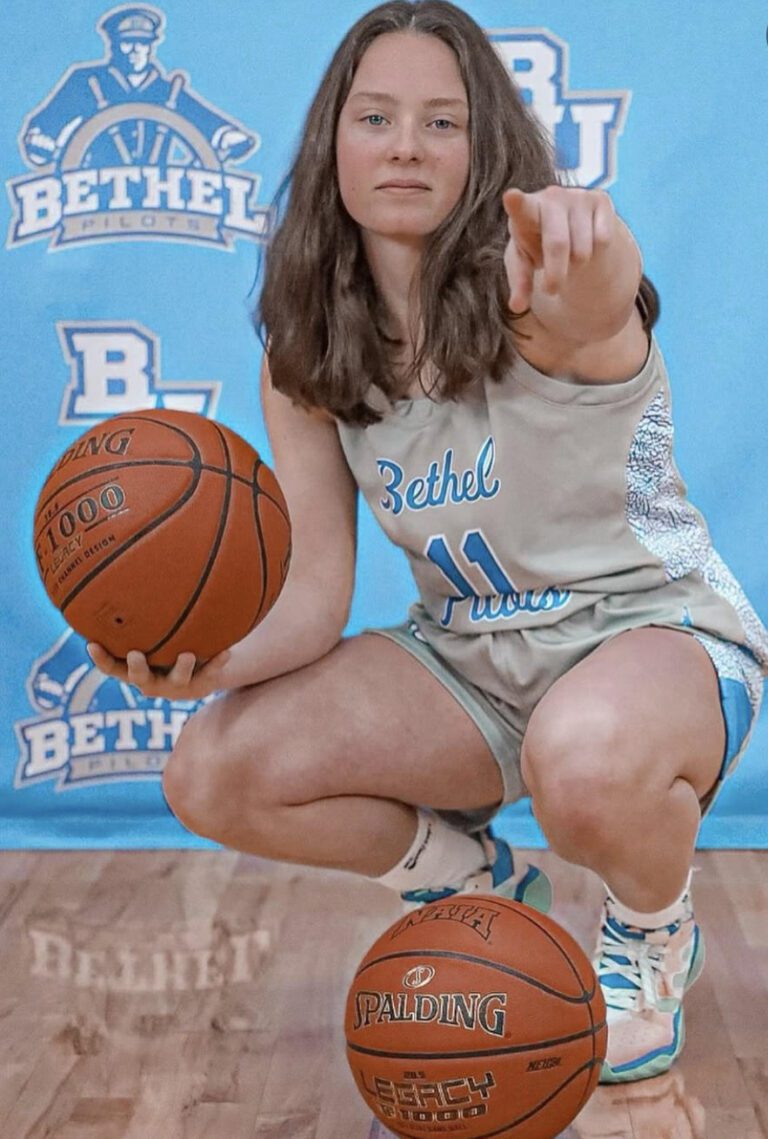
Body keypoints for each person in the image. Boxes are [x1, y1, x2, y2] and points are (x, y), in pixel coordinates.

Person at [89, 0, 767, 1084]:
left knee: (582, 757)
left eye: (441, 123)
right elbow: (315, 589)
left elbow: (600, 297)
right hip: (473, 659)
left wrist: (595, 241)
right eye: (377, 117)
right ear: (334, 143)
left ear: (482, 146)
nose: (406, 144)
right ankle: (479, 882)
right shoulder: (311, 344)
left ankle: (649, 936)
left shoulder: (535, 287)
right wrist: (201, 665)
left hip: (654, 638)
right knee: (213, 770)